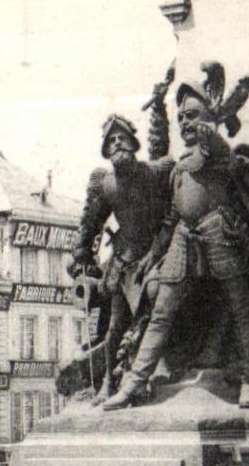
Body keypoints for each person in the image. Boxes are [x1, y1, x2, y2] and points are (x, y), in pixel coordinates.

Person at [103, 64, 249, 411]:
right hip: (183, 239)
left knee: (241, 309)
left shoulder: (217, 154)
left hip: (220, 233)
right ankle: (132, 384)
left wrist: (211, 128)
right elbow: (174, 215)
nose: (185, 122)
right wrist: (151, 255)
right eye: (181, 117)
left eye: (192, 115)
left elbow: (222, 149)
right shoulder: (178, 166)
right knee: (162, 313)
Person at [67, 106, 175, 403]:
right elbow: (91, 221)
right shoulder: (105, 183)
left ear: (133, 143)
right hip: (123, 261)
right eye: (111, 139)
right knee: (115, 326)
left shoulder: (152, 173)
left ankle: (150, 374)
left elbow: (171, 213)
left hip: (154, 256)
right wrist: (80, 252)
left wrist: (156, 252)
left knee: (155, 307)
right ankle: (107, 384)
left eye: (122, 137)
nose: (117, 142)